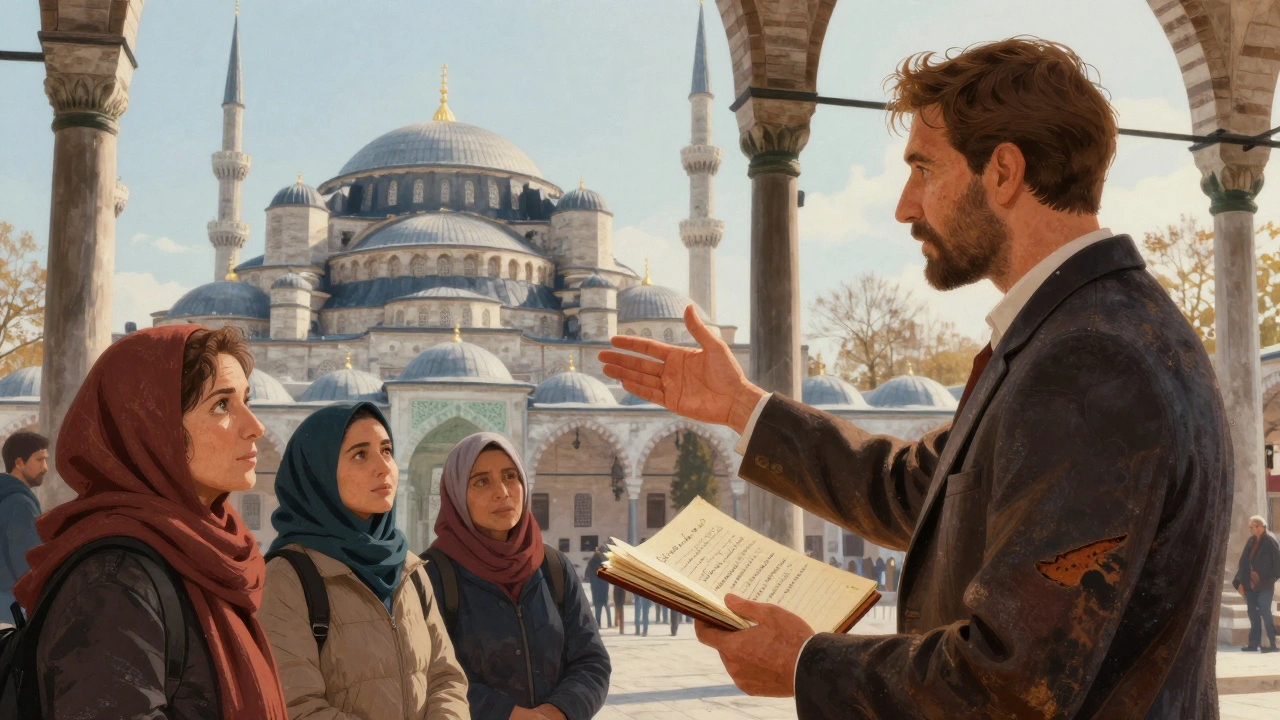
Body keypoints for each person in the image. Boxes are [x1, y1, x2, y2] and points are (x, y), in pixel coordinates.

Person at [600, 37, 1231, 718]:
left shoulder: (1093, 362)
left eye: (924, 170)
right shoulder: (1082, 332)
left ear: (1004, 172)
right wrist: (743, 407)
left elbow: (1010, 685)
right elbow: (915, 491)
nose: (904, 206)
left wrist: (805, 663)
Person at [12, 325, 288, 718]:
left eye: (246, 399)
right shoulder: (113, 584)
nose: (255, 426)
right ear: (154, 431)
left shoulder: (212, 556)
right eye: (222, 406)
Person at [258, 402, 470, 718]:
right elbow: (296, 707)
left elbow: (445, 678)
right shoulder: (287, 578)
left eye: (386, 451)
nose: (383, 467)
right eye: (360, 454)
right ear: (319, 473)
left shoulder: (407, 568)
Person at [425, 433, 610, 720]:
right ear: (457, 493)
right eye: (481, 481)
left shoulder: (552, 566)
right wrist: (510, 715)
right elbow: (428, 673)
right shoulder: (431, 574)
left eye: (510, 476)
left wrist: (557, 711)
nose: (502, 491)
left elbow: (591, 660)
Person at [1, 430, 47, 624]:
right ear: (19, 463)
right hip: (13, 612)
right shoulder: (21, 504)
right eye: (39, 460)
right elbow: (29, 564)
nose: (45, 467)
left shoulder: (5, 496)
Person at [1233, 515, 1279, 653]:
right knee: (1252, 613)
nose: (1250, 529)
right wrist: (1239, 582)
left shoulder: (1270, 541)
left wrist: (1269, 578)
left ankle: (1271, 644)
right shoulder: (1250, 541)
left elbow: (1277, 563)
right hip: (1249, 584)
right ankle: (1254, 643)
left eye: (1252, 527)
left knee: (1265, 611)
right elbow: (1243, 562)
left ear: (1260, 527)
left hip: (1264, 584)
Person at [584, 548, 612, 628]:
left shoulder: (592, 563)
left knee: (599, 606)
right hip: (601, 588)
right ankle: (606, 623)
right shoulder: (603, 563)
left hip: (597, 589)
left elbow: (588, 576)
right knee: (603, 606)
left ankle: (600, 623)